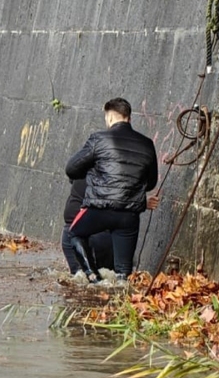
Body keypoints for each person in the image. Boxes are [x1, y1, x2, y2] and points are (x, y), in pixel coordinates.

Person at [65, 97, 159, 282]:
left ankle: (93, 277)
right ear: (129, 118)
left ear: (109, 117)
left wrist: (91, 172)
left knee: (74, 233)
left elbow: (71, 169)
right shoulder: (147, 143)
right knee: (123, 272)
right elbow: (151, 183)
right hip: (129, 214)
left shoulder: (98, 139)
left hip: (99, 208)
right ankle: (121, 292)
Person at [61, 177, 114, 276]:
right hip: (103, 232)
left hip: (72, 231)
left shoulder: (81, 169)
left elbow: (71, 175)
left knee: (81, 277)